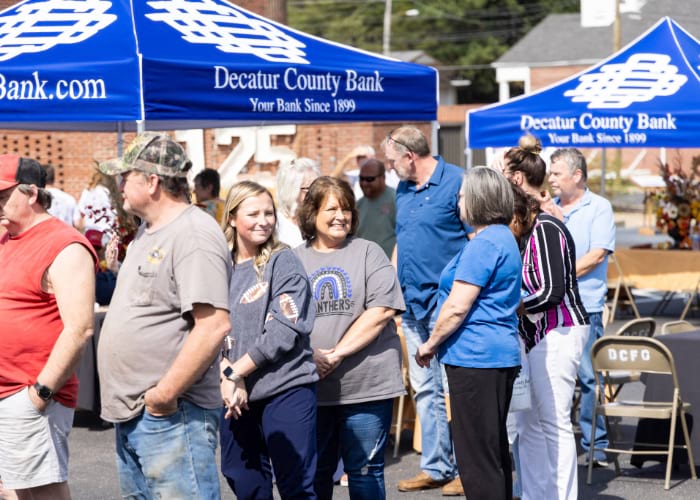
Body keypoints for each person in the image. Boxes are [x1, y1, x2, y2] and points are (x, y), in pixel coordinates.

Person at [96, 133, 232, 498]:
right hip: (137, 415)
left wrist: (164, 394)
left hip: (171, 417)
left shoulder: (193, 234)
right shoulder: (148, 231)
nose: (120, 185)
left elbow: (214, 325)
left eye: (127, 177)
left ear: (152, 181)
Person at [294, 176, 405, 500]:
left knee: (365, 471)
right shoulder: (293, 259)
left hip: (366, 386)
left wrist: (335, 354)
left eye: (346, 208)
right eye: (331, 208)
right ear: (311, 213)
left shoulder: (368, 251)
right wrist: (309, 355)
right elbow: (281, 318)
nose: (341, 215)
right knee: (314, 473)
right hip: (311, 386)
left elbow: (383, 309)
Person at [415, 166, 521, 500]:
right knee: (492, 453)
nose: (458, 202)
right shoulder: (500, 237)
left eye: (461, 196)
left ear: (477, 199)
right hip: (493, 354)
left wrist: (430, 343)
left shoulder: (485, 243)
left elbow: (458, 306)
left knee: (477, 459)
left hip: (476, 357)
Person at [0, 154, 96, 499]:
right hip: (9, 393)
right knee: (12, 491)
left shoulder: (64, 245)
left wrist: (40, 393)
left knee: (41, 492)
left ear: (31, 194)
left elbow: (80, 329)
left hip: (29, 393)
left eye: (2, 196)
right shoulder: (8, 239)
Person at [218, 180, 319, 499]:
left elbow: (283, 331)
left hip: (285, 388)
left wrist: (236, 373)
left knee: (296, 486)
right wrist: (225, 374)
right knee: (245, 481)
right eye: (253, 213)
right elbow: (204, 326)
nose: (264, 220)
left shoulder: (282, 260)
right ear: (232, 217)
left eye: (269, 213)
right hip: (233, 394)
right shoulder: (217, 266)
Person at [382, 126, 466, 495]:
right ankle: (436, 466)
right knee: (425, 390)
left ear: (409, 156)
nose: (389, 168)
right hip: (413, 305)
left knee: (454, 389)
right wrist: (389, 289)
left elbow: (476, 238)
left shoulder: (458, 183)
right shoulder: (404, 189)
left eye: (391, 161)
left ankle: (468, 467)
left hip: (445, 305)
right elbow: (404, 242)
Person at [509, 179, 590, 499]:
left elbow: (552, 290)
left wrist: (511, 306)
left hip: (560, 331)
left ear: (516, 213)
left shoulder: (546, 228)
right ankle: (533, 494)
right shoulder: (520, 236)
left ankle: (561, 495)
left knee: (554, 422)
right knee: (527, 423)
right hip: (531, 336)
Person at [549, 147, 615, 468]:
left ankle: (594, 445)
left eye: (556, 173)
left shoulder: (599, 207)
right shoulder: (549, 209)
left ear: (577, 175)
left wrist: (555, 276)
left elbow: (597, 255)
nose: (551, 178)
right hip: (551, 305)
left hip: (585, 306)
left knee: (588, 377)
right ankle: (556, 438)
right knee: (550, 374)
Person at [275, 157, 321, 247]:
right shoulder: (275, 226)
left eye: (319, 187)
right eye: (309, 188)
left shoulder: (321, 219)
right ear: (291, 190)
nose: (317, 193)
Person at [356, 158, 396, 259]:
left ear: (383, 178)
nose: (364, 183)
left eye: (370, 179)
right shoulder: (358, 205)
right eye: (361, 178)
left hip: (389, 266)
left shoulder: (396, 199)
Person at [76, 169, 117, 234]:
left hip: (90, 231)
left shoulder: (87, 192)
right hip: (107, 231)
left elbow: (81, 212)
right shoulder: (109, 192)